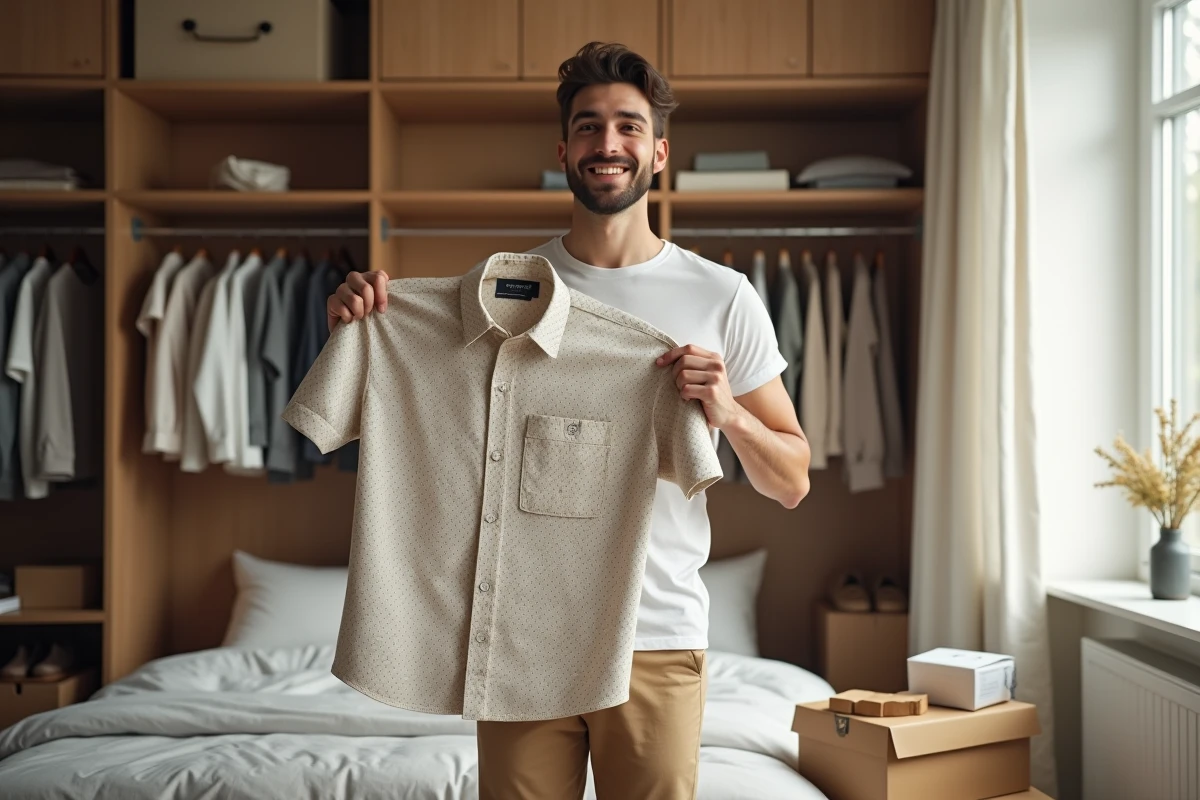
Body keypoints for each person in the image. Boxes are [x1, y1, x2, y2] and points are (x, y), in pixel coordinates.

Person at [325, 41, 811, 800]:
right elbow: (389, 395)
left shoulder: (723, 298)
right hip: (522, 636)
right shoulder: (499, 295)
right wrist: (362, 328)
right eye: (588, 127)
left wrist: (727, 415)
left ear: (658, 152)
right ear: (564, 150)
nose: (607, 144)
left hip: (655, 638)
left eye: (626, 126)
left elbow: (792, 481)